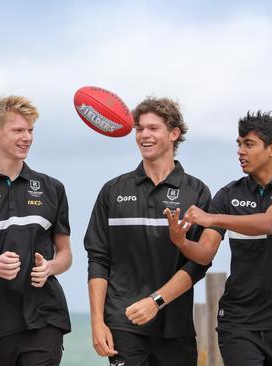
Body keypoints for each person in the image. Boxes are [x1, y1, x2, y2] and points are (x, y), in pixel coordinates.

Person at [165, 111, 272, 366]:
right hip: (239, 321)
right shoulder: (227, 194)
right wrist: (181, 241)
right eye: (239, 144)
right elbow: (205, 253)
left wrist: (213, 218)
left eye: (249, 144)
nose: (240, 151)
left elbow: (270, 222)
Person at [84, 97, 211, 366]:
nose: (144, 135)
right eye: (139, 129)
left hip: (175, 327)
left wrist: (156, 301)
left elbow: (198, 263)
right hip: (124, 321)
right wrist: (97, 322)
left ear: (174, 134)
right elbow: (98, 259)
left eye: (153, 128)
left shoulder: (196, 192)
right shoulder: (113, 191)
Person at [0, 95, 72, 365]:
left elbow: (66, 255)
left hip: (45, 318)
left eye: (30, 130)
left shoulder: (52, 189)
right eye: (18, 130)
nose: (27, 137)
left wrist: (50, 267)